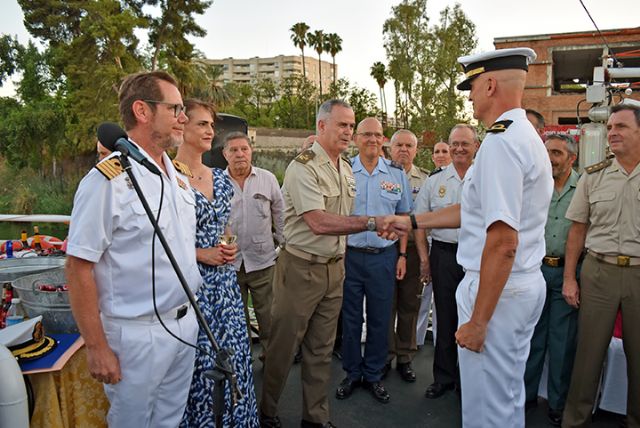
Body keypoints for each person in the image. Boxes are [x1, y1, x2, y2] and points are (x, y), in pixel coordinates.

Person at [381, 47, 553, 428]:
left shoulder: (500, 145)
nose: (471, 96)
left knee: (487, 406)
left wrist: (478, 321)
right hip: (515, 286)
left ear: (490, 84)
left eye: (472, 87)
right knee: (505, 396)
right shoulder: (521, 135)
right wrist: (412, 220)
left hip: (497, 290)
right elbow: (473, 211)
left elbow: (502, 241)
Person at [66, 71, 202, 427]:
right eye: (175, 109)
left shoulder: (178, 177)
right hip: (136, 334)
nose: (183, 118)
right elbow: (79, 266)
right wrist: (96, 347)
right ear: (142, 111)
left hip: (185, 324)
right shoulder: (107, 181)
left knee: (169, 420)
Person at [260, 100, 393, 428]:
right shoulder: (303, 166)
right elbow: (318, 222)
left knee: (320, 351)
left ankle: (315, 418)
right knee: (283, 347)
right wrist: (372, 223)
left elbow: (339, 222)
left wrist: (342, 259)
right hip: (300, 269)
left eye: (351, 126)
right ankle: (265, 412)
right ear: (322, 126)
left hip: (334, 269)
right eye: (342, 125)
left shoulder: (344, 168)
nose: (349, 132)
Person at [174, 99, 259, 427]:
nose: (210, 130)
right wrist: (200, 254)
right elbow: (157, 242)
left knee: (234, 357)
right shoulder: (168, 178)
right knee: (199, 363)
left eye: (212, 125)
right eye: (202, 124)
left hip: (225, 286)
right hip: (189, 286)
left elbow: (222, 227)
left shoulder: (220, 179)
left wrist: (227, 245)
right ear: (182, 127)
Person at [562, 103, 640, 428]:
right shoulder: (593, 177)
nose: (612, 133)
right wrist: (569, 278)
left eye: (620, 127)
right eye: (609, 127)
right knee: (588, 356)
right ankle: (575, 420)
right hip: (598, 271)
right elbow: (577, 230)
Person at [336, 118, 412, 404]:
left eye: (378, 135)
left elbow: (404, 217)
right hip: (351, 256)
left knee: (381, 319)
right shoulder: (344, 170)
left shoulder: (396, 174)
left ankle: (373, 375)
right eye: (366, 134)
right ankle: (352, 373)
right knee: (351, 318)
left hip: (384, 257)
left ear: (384, 140)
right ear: (356, 138)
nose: (372, 139)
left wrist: (402, 255)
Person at [415, 124, 479, 400]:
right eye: (454, 144)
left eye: (465, 143)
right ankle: (443, 377)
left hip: (476, 257)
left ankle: (469, 379)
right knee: (445, 315)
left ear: (476, 146)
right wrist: (424, 260)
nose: (459, 148)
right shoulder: (435, 181)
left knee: (474, 318)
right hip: (443, 255)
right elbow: (419, 224)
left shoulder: (485, 177)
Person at [522, 133, 579, 426]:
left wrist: (571, 277)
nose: (550, 159)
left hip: (569, 274)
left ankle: (557, 405)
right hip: (535, 270)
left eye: (557, 153)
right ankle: (526, 397)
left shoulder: (584, 187)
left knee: (562, 342)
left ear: (572, 158)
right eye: (547, 152)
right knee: (532, 337)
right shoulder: (534, 185)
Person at [223, 131, 284, 360]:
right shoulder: (217, 181)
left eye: (244, 149)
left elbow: (280, 215)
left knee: (268, 317)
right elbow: (215, 220)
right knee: (237, 321)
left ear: (251, 151)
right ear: (224, 154)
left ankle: (271, 359)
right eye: (233, 150)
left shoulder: (267, 179)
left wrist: (282, 246)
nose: (240, 154)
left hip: (263, 262)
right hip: (230, 264)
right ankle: (242, 363)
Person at [384, 129, 428, 383]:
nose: (403, 149)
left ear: (416, 150)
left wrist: (424, 258)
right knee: (385, 305)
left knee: (410, 304)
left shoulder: (425, 179)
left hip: (412, 249)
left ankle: (405, 357)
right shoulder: (380, 175)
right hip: (386, 247)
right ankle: (385, 355)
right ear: (390, 148)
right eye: (398, 144)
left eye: (408, 145)